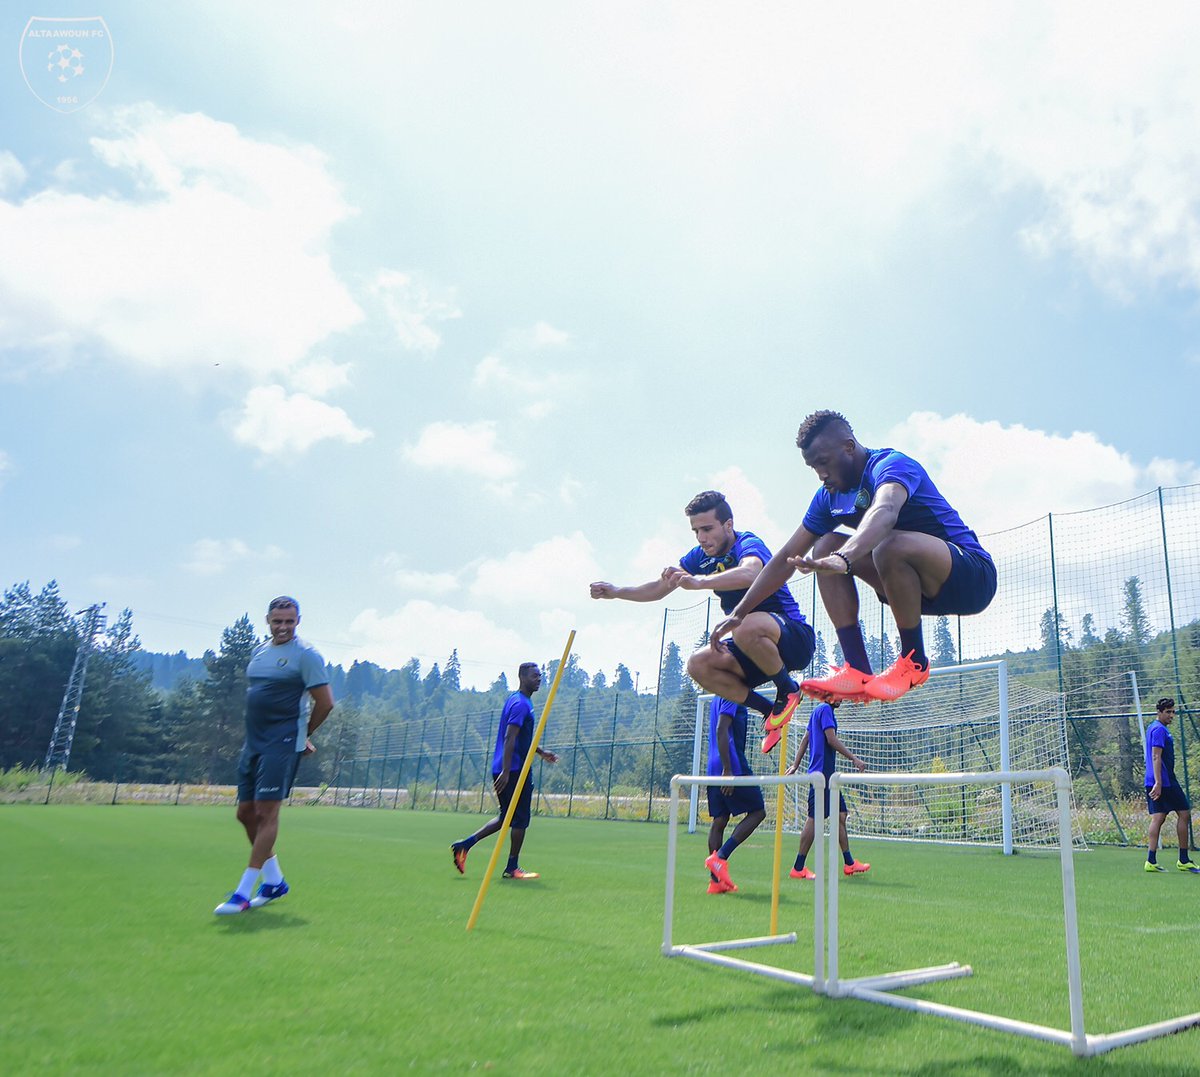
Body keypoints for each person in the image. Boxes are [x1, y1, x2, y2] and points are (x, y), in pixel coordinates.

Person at [712, 410, 996, 705]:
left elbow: (884, 511)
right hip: (911, 591)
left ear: (848, 447)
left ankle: (914, 662)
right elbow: (786, 555)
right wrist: (739, 613)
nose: (821, 473)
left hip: (971, 577)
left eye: (824, 462)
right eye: (812, 466)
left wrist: (845, 558)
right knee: (823, 545)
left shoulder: (890, 466)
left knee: (888, 545)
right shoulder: (829, 496)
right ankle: (857, 668)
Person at [591, 490, 816, 753]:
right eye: (696, 531)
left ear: (728, 524)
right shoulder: (700, 557)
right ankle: (770, 712)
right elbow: (657, 589)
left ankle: (788, 689)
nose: (701, 538)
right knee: (698, 664)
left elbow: (751, 572)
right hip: (753, 647)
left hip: (793, 639)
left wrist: (700, 582)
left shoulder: (747, 543)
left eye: (707, 529)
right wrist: (616, 592)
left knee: (741, 624)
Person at [214, 596, 334, 915]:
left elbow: (325, 703)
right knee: (245, 815)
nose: (283, 627)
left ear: (298, 621)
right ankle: (274, 881)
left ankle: (242, 893)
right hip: (253, 743)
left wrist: (303, 735)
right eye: (278, 621)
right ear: (267, 620)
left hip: (282, 743)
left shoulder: (307, 655)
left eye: (289, 621)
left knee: (267, 813)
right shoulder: (260, 652)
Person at [451, 662, 559, 880]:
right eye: (534, 676)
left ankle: (465, 845)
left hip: (507, 767)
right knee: (520, 819)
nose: (538, 679)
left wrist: (540, 752)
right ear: (522, 677)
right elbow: (510, 737)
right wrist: (508, 772)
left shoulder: (518, 700)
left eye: (540, 676)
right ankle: (512, 867)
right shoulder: (520, 704)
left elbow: (521, 738)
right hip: (514, 770)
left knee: (506, 817)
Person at [784, 699, 870, 879]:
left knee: (840, 815)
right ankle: (798, 867)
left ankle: (849, 863)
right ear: (829, 693)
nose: (842, 698)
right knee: (815, 819)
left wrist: (795, 764)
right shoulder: (825, 709)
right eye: (838, 694)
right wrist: (854, 759)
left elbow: (806, 738)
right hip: (821, 774)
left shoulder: (819, 710)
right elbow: (831, 739)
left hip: (828, 775)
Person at [703, 697, 767, 894]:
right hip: (731, 765)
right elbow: (721, 728)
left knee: (720, 819)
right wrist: (728, 770)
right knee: (758, 811)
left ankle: (715, 882)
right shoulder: (731, 692)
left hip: (713, 766)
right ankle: (720, 857)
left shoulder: (717, 696)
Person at [1144, 696, 1198, 874]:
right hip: (1164, 781)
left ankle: (1151, 861)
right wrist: (1159, 782)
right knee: (1184, 813)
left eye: (1173, 712)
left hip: (1158, 780)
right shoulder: (1159, 730)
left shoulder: (1156, 728)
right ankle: (1183, 859)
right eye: (1168, 712)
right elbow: (1156, 756)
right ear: (1159, 712)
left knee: (1159, 817)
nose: (1171, 715)